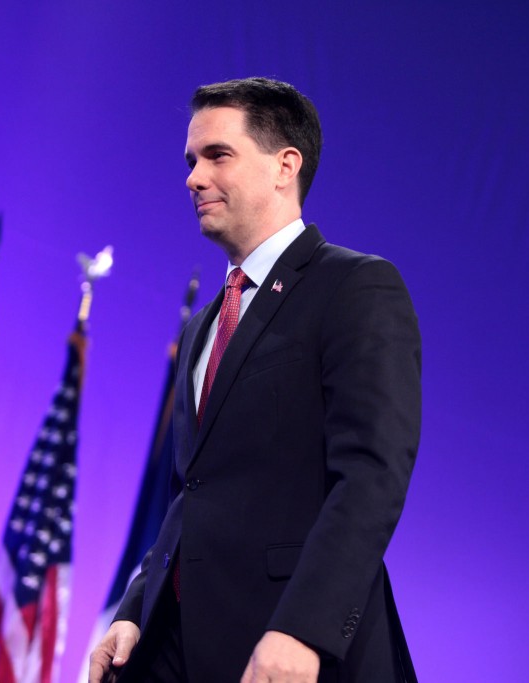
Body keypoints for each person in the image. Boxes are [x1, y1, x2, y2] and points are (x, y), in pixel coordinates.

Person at [89, 77, 422, 683]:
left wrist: (304, 628)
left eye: (218, 155)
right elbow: (192, 493)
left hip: (295, 652)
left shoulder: (355, 287)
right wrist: (136, 609)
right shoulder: (203, 327)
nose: (193, 178)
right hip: (181, 645)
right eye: (191, 161)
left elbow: (372, 477)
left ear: (284, 166)